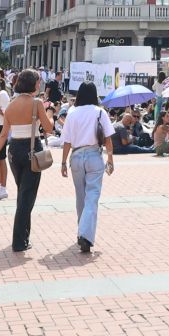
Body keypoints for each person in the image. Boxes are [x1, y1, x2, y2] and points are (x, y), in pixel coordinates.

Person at [0, 70, 55, 253]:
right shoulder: (36, 103)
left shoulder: (11, 104)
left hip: (14, 150)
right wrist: (49, 114)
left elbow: (3, 135)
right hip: (32, 149)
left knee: (23, 193)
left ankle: (24, 236)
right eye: (38, 82)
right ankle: (19, 240)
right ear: (33, 84)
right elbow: (48, 128)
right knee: (26, 197)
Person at [59, 82, 114, 255]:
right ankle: (85, 235)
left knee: (80, 197)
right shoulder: (100, 112)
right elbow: (108, 139)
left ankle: (81, 231)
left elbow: (66, 140)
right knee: (92, 197)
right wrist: (110, 159)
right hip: (93, 156)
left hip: (75, 156)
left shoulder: (72, 113)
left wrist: (62, 162)